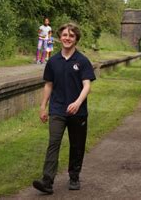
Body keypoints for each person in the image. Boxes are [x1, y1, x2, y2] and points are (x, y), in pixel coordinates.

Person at [32, 23, 96, 194]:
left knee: (77, 145)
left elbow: (87, 85)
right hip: (57, 109)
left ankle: (74, 177)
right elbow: (48, 85)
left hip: (78, 111)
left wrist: (77, 103)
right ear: (60, 38)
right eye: (65, 35)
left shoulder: (82, 61)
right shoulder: (53, 61)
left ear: (76, 39)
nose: (67, 38)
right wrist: (43, 106)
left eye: (71, 36)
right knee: (53, 143)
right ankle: (47, 181)